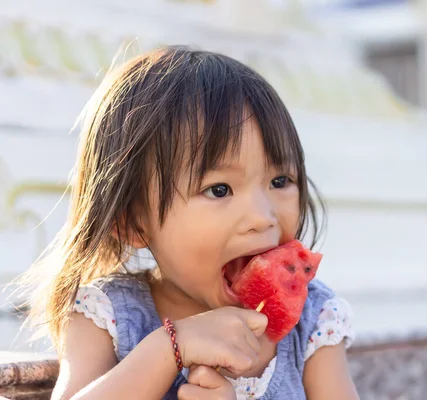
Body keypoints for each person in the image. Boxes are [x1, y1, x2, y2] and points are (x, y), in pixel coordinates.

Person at [25, 47, 358, 399]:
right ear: (132, 222)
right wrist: (169, 348)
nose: (263, 217)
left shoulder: (312, 321)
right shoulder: (107, 315)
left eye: (280, 182)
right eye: (219, 189)